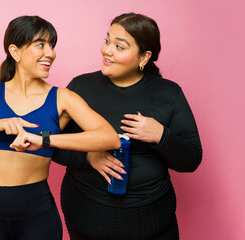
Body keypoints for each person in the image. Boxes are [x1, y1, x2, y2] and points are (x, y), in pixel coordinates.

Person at [0, 15, 120, 240]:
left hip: (36, 213)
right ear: (15, 52)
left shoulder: (62, 98)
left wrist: (45, 140)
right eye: (41, 45)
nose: (50, 53)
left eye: (52, 46)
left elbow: (109, 138)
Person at [53, 13, 202, 240]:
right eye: (107, 41)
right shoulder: (81, 87)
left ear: (144, 56)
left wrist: (161, 136)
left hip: (153, 220)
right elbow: (50, 143)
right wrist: (89, 158)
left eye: (119, 46)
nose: (107, 51)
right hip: (86, 215)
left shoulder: (169, 93)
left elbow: (191, 159)